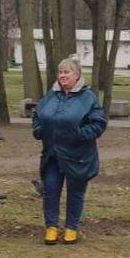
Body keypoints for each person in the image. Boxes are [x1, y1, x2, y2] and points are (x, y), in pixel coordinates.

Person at [32, 55, 107, 244]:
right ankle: (51, 227)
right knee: (50, 189)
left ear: (77, 76)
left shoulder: (88, 98)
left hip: (78, 156)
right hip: (53, 154)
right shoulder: (51, 96)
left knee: (75, 192)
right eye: (60, 72)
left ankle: (71, 227)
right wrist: (39, 131)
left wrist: (79, 134)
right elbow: (37, 115)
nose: (62, 75)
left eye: (67, 72)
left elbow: (98, 123)